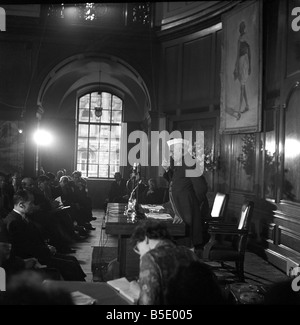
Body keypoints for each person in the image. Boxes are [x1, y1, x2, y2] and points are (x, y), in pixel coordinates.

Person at [3, 189, 86, 281]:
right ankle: (78, 289)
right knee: (69, 265)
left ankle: (84, 287)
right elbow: (23, 248)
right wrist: (47, 250)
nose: (33, 206)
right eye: (31, 203)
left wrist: (46, 246)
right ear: (21, 205)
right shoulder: (14, 222)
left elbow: (33, 239)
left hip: (41, 252)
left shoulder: (23, 217)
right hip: (35, 258)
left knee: (72, 260)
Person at [129, 219, 200, 305]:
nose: (140, 256)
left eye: (138, 249)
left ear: (146, 239)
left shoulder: (150, 258)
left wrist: (138, 293)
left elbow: (148, 303)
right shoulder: (189, 253)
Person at [162, 138, 209, 250]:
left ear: (181, 150)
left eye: (172, 151)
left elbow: (201, 188)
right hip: (181, 210)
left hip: (187, 212)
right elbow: (177, 184)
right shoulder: (181, 163)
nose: (171, 154)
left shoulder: (189, 162)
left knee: (186, 246)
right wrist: (168, 171)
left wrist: (191, 204)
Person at [233, 20, 251, 120]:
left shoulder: (245, 39)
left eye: (241, 27)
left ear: (243, 28)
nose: (240, 29)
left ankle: (239, 109)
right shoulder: (240, 39)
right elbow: (237, 53)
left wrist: (250, 65)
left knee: (242, 86)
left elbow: (249, 52)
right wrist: (236, 66)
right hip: (241, 61)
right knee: (242, 85)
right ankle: (247, 105)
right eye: (240, 27)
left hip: (244, 61)